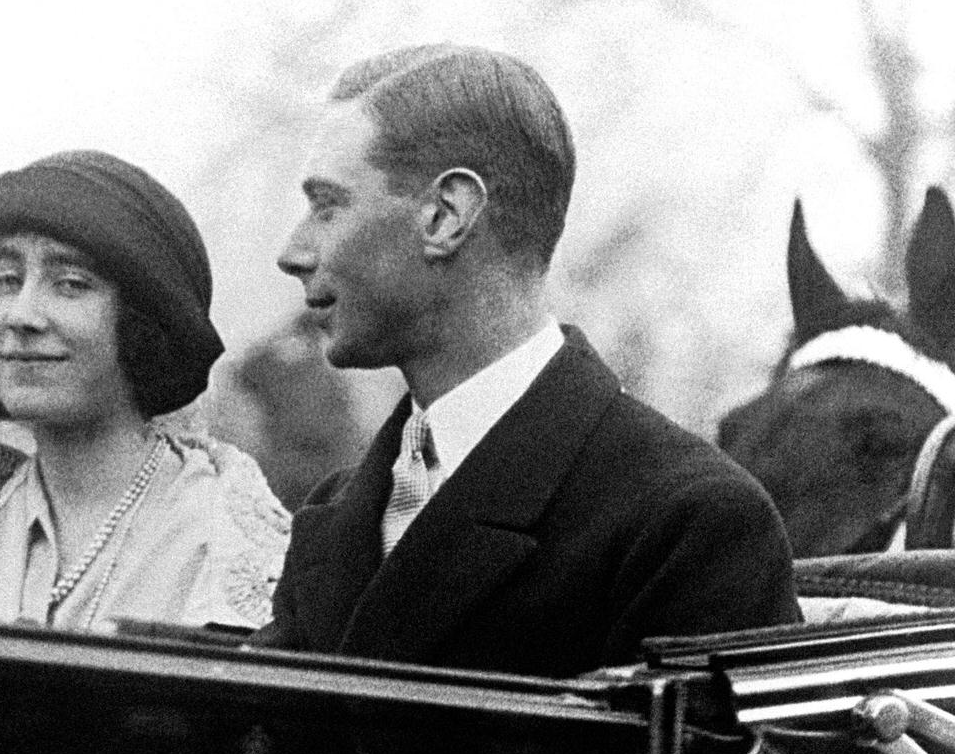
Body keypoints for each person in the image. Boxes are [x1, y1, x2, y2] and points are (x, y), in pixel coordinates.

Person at [248, 44, 800, 677]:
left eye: (327, 205)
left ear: (445, 216)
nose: (293, 251)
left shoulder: (689, 527)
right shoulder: (340, 511)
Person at [0, 150, 289, 634]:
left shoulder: (223, 545)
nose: (22, 315)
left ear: (140, 321)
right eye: (6, 280)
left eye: (70, 284)